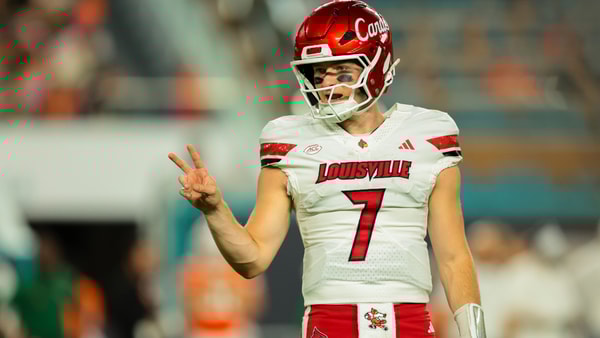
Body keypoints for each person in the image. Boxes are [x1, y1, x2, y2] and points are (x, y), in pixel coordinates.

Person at [168, 1, 486, 337]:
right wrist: (215, 210)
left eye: (342, 72)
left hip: (409, 320)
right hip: (330, 321)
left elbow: (454, 259)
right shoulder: (289, 141)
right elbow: (253, 259)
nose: (326, 85)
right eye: (320, 73)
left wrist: (475, 333)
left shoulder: (428, 134)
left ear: (377, 68)